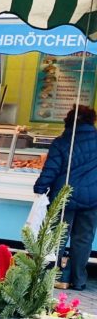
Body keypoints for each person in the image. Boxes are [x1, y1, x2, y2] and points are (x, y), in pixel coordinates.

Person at [34, 105, 97, 290]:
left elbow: (51, 169)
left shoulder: (61, 142)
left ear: (68, 122)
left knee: (58, 238)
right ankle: (79, 280)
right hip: (92, 198)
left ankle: (51, 277)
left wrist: (40, 187)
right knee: (83, 238)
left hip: (64, 197)